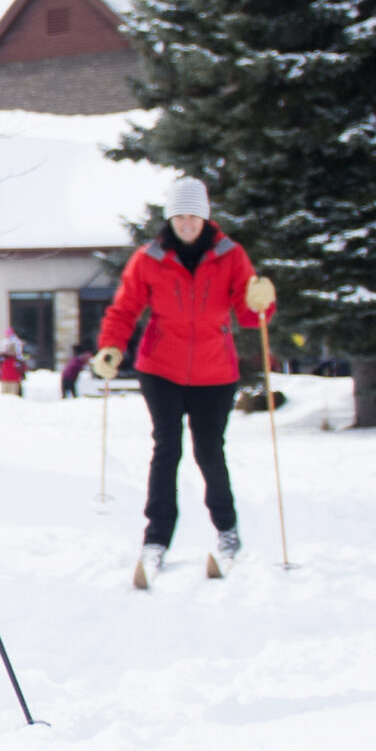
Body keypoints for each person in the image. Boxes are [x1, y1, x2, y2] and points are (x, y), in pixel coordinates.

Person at [89, 177, 277, 570]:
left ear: (205, 217)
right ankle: (156, 538)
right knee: (166, 450)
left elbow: (248, 316)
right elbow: (125, 309)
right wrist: (111, 347)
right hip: (161, 369)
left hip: (215, 371)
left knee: (209, 452)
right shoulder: (150, 257)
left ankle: (226, 529)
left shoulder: (230, 254)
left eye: (193, 216)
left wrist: (262, 302)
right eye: (179, 216)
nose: (187, 223)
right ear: (170, 218)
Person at [0, 330, 26, 397]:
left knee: (11, 396)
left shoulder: (14, 361)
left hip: (12, 380)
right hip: (8, 380)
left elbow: (21, 369)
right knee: (8, 397)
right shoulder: (3, 359)